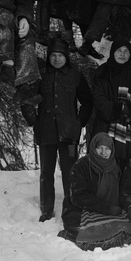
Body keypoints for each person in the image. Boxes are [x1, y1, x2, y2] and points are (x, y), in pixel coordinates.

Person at [22, 37, 93, 223]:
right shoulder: (40, 75)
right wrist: (34, 122)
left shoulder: (75, 75)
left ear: (66, 57)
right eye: (53, 55)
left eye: (60, 55)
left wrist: (79, 123)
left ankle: (72, 208)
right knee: (46, 173)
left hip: (69, 135)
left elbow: (88, 102)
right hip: (46, 132)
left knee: (71, 172)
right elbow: (26, 99)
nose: (56, 59)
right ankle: (46, 210)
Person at [60, 132, 131, 251]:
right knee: (96, 229)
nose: (103, 153)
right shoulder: (81, 166)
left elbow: (124, 191)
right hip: (81, 210)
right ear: (93, 148)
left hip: (110, 209)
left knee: (130, 225)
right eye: (99, 148)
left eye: (107, 149)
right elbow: (78, 197)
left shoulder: (116, 167)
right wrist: (107, 208)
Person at [88, 37, 131, 170]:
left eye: (126, 51)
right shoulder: (103, 72)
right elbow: (98, 98)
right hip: (106, 125)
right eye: (119, 51)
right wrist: (116, 110)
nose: (122, 54)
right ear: (112, 52)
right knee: (105, 164)